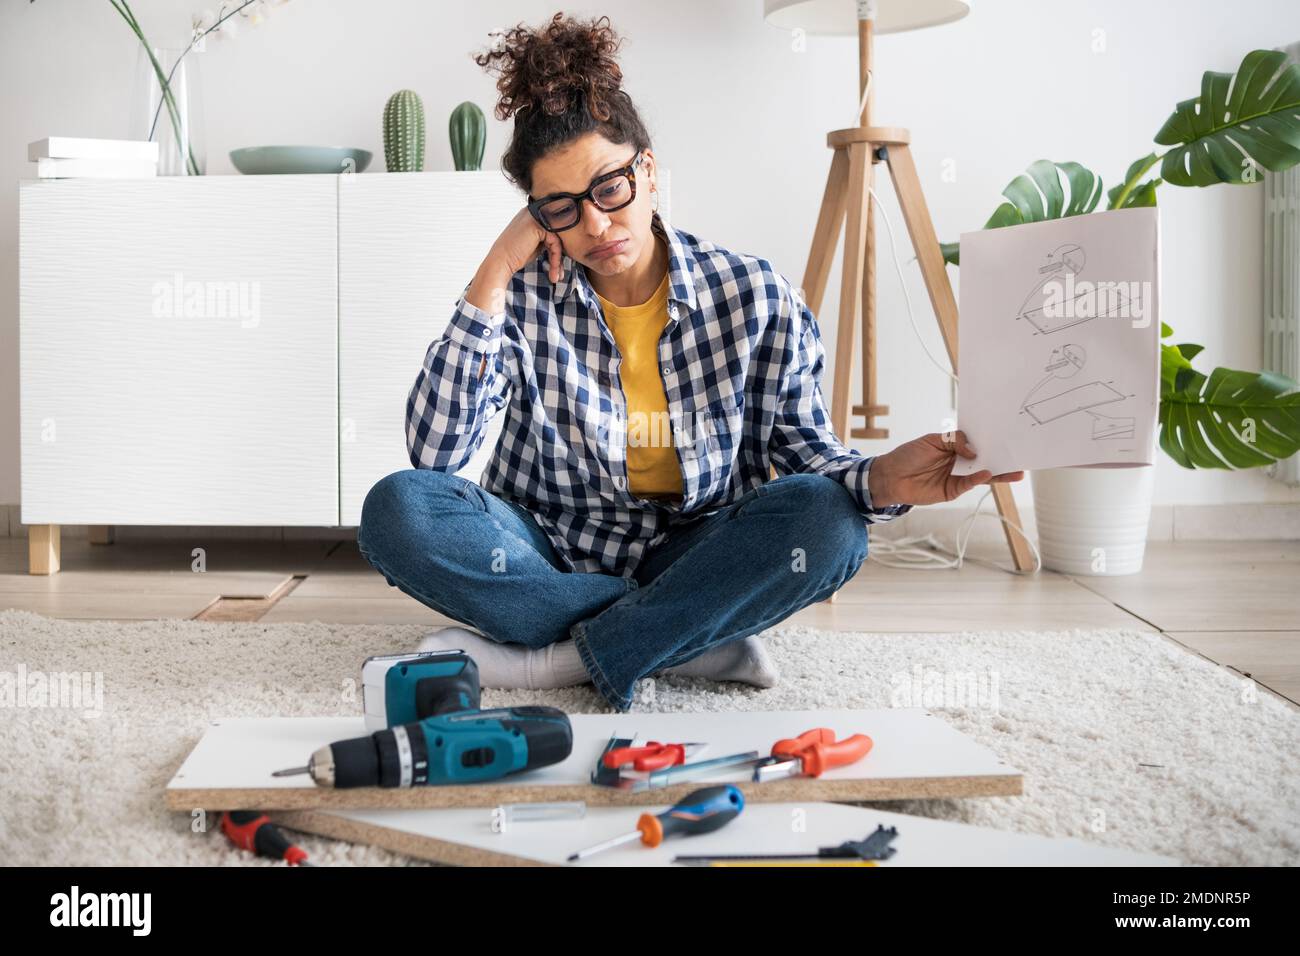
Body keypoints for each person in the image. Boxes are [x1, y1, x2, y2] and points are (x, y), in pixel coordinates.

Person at [357, 12, 1023, 712]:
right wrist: (494, 268)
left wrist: (880, 478)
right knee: (396, 510)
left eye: (609, 188)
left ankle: (563, 656)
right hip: (544, 550)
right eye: (560, 208)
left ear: (646, 170)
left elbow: (806, 465)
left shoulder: (755, 294)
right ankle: (682, 630)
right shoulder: (519, 297)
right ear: (534, 214)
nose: (594, 225)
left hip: (690, 549)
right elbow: (436, 457)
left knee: (828, 524)